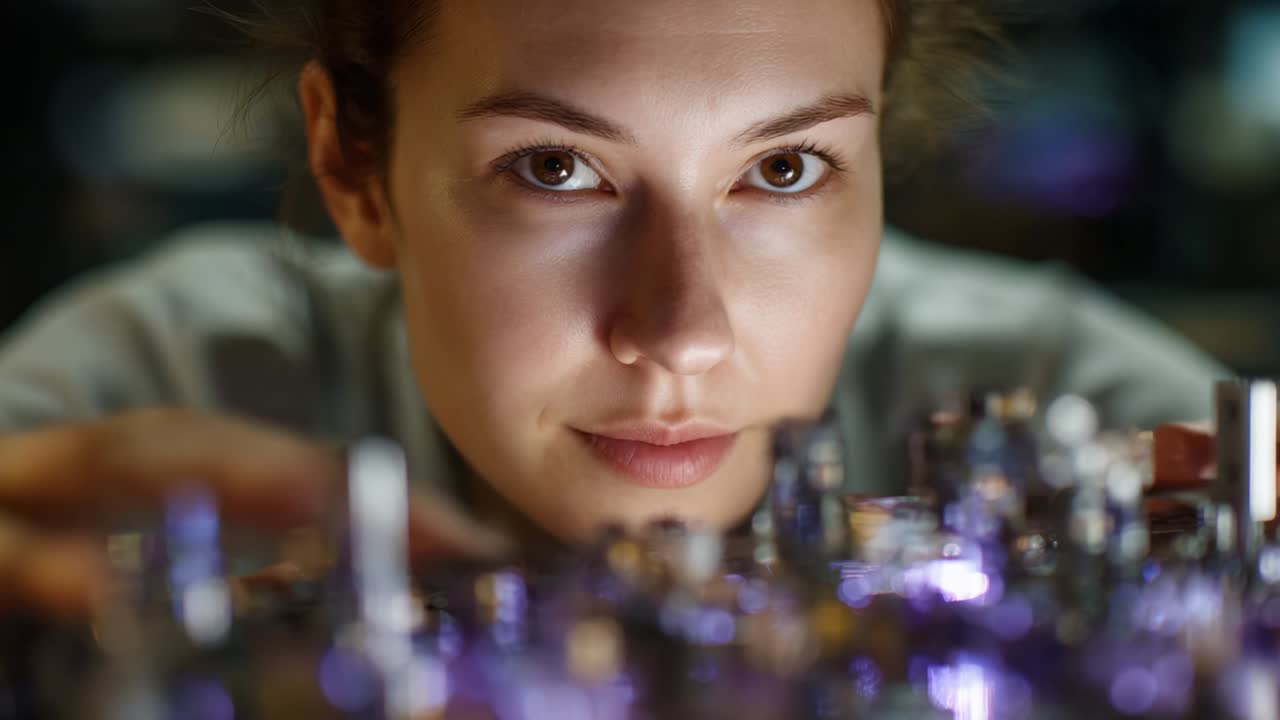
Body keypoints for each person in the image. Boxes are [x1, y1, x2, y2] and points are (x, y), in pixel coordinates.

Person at [0, 0, 1225, 617]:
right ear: (353, 170)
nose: (681, 330)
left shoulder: (1058, 394)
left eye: (783, 170)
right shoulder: (164, 383)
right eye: (552, 169)